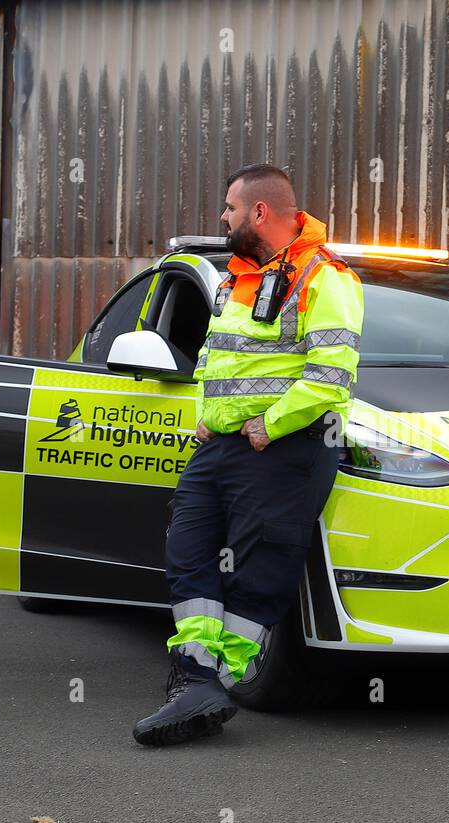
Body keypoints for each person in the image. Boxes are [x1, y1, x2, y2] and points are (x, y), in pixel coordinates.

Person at [133, 164, 364, 746]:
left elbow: (332, 376)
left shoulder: (325, 275)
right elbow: (217, 359)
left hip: (284, 447)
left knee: (259, 573)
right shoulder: (238, 278)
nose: (224, 218)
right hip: (221, 446)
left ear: (260, 212)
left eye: (230, 208)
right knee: (188, 554)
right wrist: (205, 420)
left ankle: (213, 684)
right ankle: (195, 682)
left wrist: (270, 426)